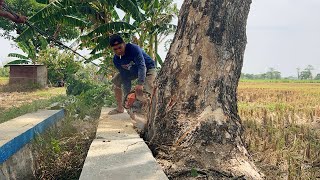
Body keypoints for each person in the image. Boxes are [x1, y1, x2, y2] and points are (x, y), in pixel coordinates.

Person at [108, 34, 156, 115]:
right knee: (116, 83)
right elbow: (125, 77)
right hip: (133, 71)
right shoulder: (116, 60)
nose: (118, 51)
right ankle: (120, 108)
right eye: (115, 49)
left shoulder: (133, 49)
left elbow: (142, 66)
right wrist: (127, 96)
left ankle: (147, 112)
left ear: (124, 44)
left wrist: (140, 84)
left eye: (120, 47)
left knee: (148, 87)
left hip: (148, 68)